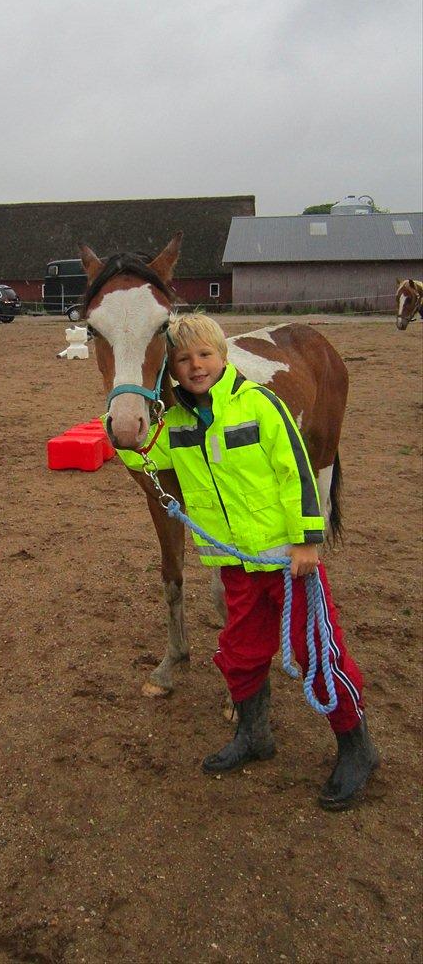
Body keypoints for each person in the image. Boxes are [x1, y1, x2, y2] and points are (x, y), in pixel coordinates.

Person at [117, 313, 378, 811]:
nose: (195, 367)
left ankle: (357, 746)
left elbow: (297, 471)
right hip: (235, 565)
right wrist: (121, 432)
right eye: (182, 360)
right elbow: (146, 454)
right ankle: (256, 736)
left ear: (224, 356)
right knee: (239, 652)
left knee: (316, 650)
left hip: (285, 559)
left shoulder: (262, 404)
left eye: (205, 356)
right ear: (169, 370)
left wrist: (306, 540)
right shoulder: (177, 424)